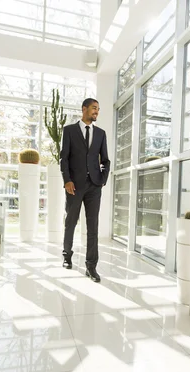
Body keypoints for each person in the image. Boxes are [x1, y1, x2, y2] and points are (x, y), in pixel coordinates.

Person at [60, 98, 111, 283]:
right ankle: (67, 255)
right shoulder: (69, 131)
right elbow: (63, 158)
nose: (96, 111)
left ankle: (91, 266)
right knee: (71, 222)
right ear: (84, 109)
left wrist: (102, 180)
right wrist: (67, 180)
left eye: (98, 109)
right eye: (94, 108)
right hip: (74, 185)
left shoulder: (101, 134)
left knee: (93, 226)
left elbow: (105, 160)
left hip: (94, 186)